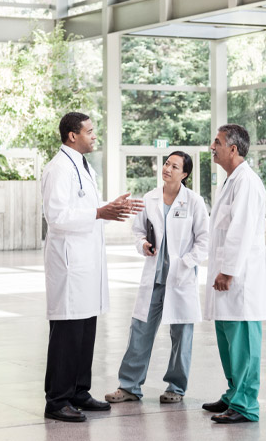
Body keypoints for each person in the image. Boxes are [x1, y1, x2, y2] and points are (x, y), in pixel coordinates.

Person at [42, 112, 143, 423]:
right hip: (70, 266)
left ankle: (78, 392)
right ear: (72, 136)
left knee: (85, 329)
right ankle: (57, 400)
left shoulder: (82, 166)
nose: (94, 135)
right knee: (67, 333)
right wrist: (101, 212)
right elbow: (57, 216)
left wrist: (109, 209)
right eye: (89, 131)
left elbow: (84, 208)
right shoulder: (59, 168)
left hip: (86, 263)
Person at [105, 151, 209, 404]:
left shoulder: (194, 201)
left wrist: (185, 262)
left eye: (175, 166)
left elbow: (204, 241)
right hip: (154, 278)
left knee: (181, 336)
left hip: (180, 278)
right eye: (166, 163)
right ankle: (129, 386)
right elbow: (138, 231)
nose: (167, 169)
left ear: (184, 174)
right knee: (139, 331)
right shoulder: (150, 199)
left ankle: (176, 387)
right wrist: (143, 245)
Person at [202, 124, 266, 424]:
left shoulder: (247, 183)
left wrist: (227, 272)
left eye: (216, 142)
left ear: (233, 148)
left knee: (243, 346)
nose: (211, 147)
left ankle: (245, 405)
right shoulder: (230, 181)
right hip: (225, 280)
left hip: (239, 282)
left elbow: (240, 231)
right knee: (229, 343)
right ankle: (234, 394)